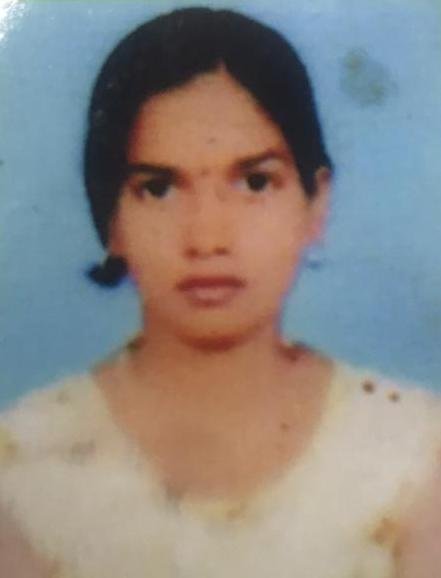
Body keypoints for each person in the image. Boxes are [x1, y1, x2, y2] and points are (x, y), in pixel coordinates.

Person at [0, 7, 440, 577]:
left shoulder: (411, 456)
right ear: (109, 217)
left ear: (316, 203)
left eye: (255, 182)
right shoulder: (26, 467)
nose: (207, 238)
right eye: (159, 189)